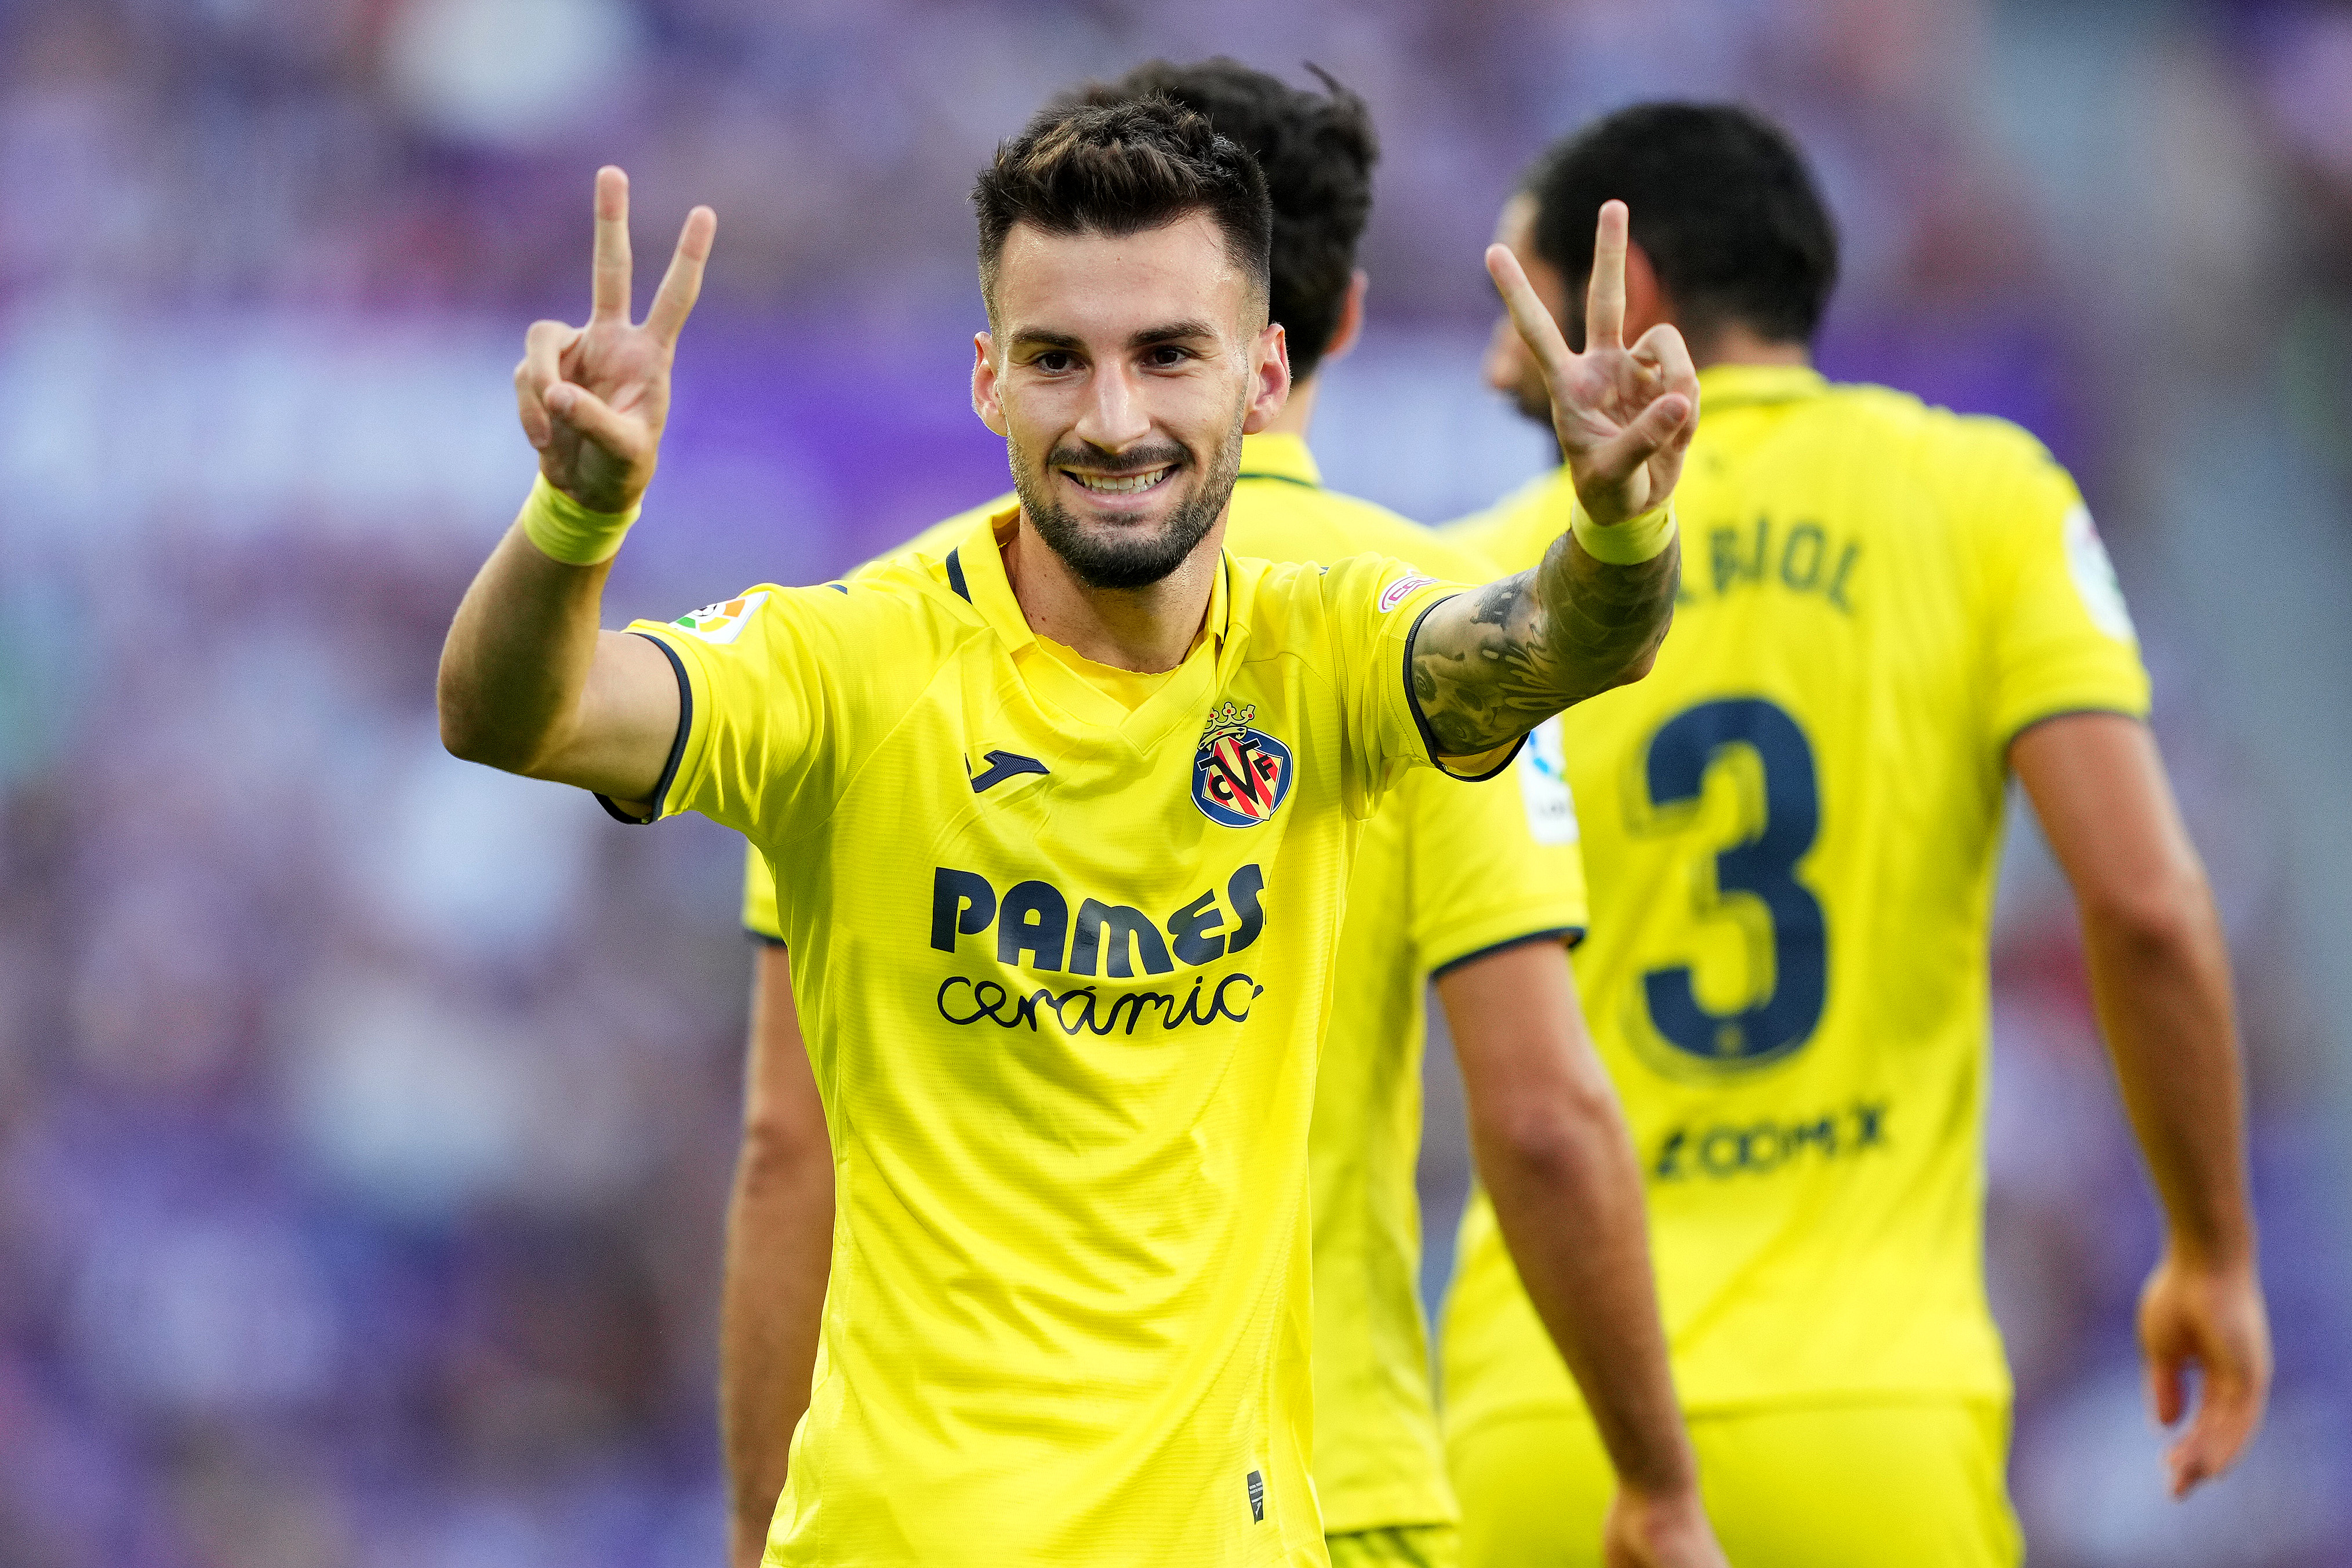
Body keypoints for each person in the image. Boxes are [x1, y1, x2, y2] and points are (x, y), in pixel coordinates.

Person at [436, 98, 1714, 1566]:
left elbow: (1561, 643)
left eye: (1168, 354)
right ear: (990, 381)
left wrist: (1618, 527)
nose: (1113, 420)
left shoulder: (1327, 655)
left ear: (1262, 373)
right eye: (1058, 360)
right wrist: (573, 523)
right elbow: (513, 716)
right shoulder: (851, 668)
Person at [1439, 101, 2273, 1567]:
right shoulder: (1983, 496)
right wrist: (2209, 1249)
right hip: (1871, 1423)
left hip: (1544, 1420)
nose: (1504, 339)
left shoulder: (1475, 584)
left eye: (1526, 283)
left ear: (1625, 293)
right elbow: (2141, 905)